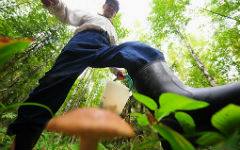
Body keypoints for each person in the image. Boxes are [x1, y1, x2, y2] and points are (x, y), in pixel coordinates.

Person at [7, 0, 240, 149]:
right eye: (109, 5)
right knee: (55, 81)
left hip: (103, 47)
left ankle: (175, 112)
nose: (111, 7)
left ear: (116, 14)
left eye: (114, 8)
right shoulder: (92, 16)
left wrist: (117, 71)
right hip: (82, 42)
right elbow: (67, 13)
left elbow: (114, 57)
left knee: (139, 51)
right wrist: (55, 4)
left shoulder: (113, 30)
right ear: (103, 6)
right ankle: (24, 137)